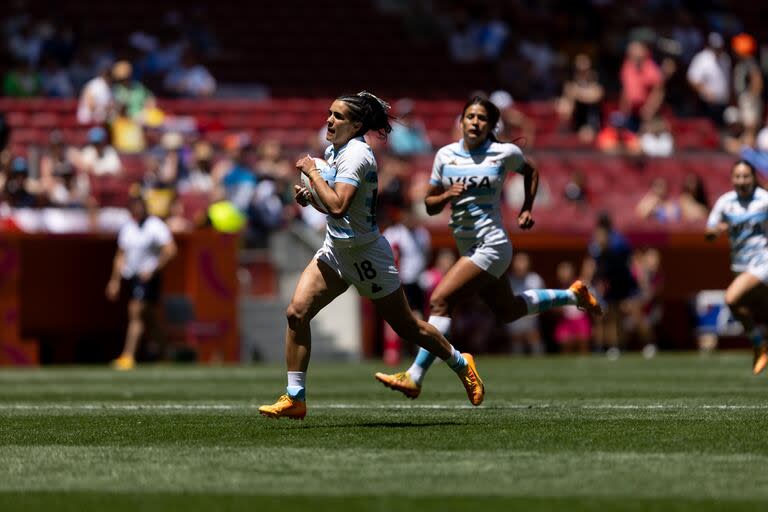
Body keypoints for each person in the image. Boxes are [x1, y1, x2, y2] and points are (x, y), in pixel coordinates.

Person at [258, 92, 485, 420]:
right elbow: (334, 208)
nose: (329, 120)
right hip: (336, 251)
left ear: (357, 125)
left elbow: (338, 205)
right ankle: (295, 397)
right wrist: (312, 198)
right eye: (329, 113)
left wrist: (312, 172)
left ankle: (462, 363)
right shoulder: (335, 150)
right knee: (296, 313)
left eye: (338, 116)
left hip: (367, 255)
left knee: (408, 327)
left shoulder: (358, 155)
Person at [375, 96, 602, 399]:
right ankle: (572, 295)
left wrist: (526, 209)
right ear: (462, 121)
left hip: (492, 245)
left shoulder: (504, 152)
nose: (475, 122)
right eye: (470, 116)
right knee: (508, 310)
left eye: (482, 118)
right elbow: (429, 205)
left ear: (491, 125)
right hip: (469, 247)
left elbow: (531, 172)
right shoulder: (445, 155)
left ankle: (415, 375)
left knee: (441, 300)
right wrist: (445, 197)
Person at [705, 160, 768, 375]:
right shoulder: (725, 202)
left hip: (763, 262)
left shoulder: (764, 200)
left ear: (753, 178)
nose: (742, 181)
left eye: (746, 176)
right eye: (738, 177)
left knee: (731, 298)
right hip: (739, 265)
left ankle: (759, 344)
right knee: (744, 307)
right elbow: (709, 233)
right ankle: (760, 342)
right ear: (732, 179)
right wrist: (717, 230)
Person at [106, 196, 177, 370]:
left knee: (135, 312)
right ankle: (165, 352)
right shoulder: (128, 228)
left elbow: (170, 250)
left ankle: (128, 356)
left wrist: (153, 269)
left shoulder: (155, 226)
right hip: (132, 277)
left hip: (148, 278)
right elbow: (120, 255)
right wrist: (115, 280)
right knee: (151, 318)